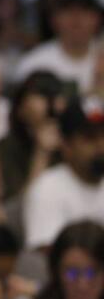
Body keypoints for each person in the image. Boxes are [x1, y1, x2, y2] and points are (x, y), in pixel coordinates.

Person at [24, 100, 104, 249]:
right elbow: (46, 254)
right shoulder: (48, 188)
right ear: (66, 145)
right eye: (90, 138)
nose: (101, 146)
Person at [0, 72, 66, 202]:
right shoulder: (8, 147)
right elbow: (21, 205)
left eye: (53, 95)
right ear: (20, 108)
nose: (48, 102)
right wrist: (42, 153)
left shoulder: (74, 141)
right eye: (41, 94)